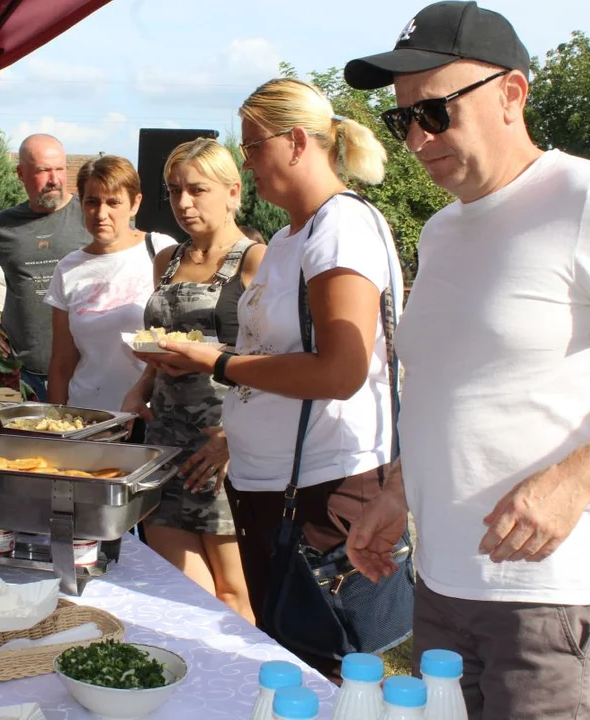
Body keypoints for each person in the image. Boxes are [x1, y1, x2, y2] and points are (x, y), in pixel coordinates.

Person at [342, 2, 590, 717]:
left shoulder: (589, 203)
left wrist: (578, 480)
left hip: (546, 597)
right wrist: (398, 490)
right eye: (403, 119)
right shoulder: (445, 231)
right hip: (443, 585)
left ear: (511, 94)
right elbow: (458, 386)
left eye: (436, 112)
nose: (418, 139)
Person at [137, 82, 404, 678]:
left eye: (254, 146)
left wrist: (216, 363)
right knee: (280, 663)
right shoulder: (290, 237)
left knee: (321, 670)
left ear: (296, 142)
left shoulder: (341, 227)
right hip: (272, 487)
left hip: (322, 486)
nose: (248, 161)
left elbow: (341, 370)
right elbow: (273, 352)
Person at [123, 138, 262, 623]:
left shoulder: (254, 261)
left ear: (232, 192)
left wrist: (232, 438)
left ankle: (247, 691)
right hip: (165, 439)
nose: (183, 203)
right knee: (178, 590)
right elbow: (165, 340)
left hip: (221, 443)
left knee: (233, 594)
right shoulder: (167, 261)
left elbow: (274, 362)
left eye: (197, 190)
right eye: (175, 190)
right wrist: (141, 385)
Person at [0, 134, 91, 401]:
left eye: (60, 169)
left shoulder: (90, 216)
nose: (54, 179)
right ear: (21, 173)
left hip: (85, 371)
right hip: (24, 373)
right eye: (44, 171)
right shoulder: (4, 225)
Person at [44, 155, 177, 411]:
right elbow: (62, 362)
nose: (101, 213)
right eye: (92, 201)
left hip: (151, 415)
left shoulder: (161, 250)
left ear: (135, 203)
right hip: (89, 415)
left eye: (113, 202)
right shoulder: (68, 268)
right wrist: (57, 424)